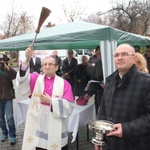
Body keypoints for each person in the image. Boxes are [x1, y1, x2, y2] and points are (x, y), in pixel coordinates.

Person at [16, 46, 74, 150]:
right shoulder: (35, 79)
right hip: (40, 122)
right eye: (45, 64)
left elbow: (69, 106)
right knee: (40, 145)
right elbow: (22, 81)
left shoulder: (64, 84)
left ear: (56, 67)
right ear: (42, 67)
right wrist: (27, 59)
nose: (47, 67)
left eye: (50, 64)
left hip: (56, 122)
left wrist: (52, 101)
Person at [95, 44, 150, 150]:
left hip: (135, 144)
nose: (119, 57)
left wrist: (126, 129)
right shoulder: (110, 81)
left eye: (124, 54)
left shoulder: (146, 82)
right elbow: (103, 110)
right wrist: (100, 138)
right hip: (110, 145)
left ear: (134, 58)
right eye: (116, 55)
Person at [0, 53, 17, 145]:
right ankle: (4, 133)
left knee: (9, 118)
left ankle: (12, 135)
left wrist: (7, 68)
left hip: (8, 97)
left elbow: (15, 76)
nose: (1, 63)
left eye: (3, 61)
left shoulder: (8, 70)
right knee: (1, 119)